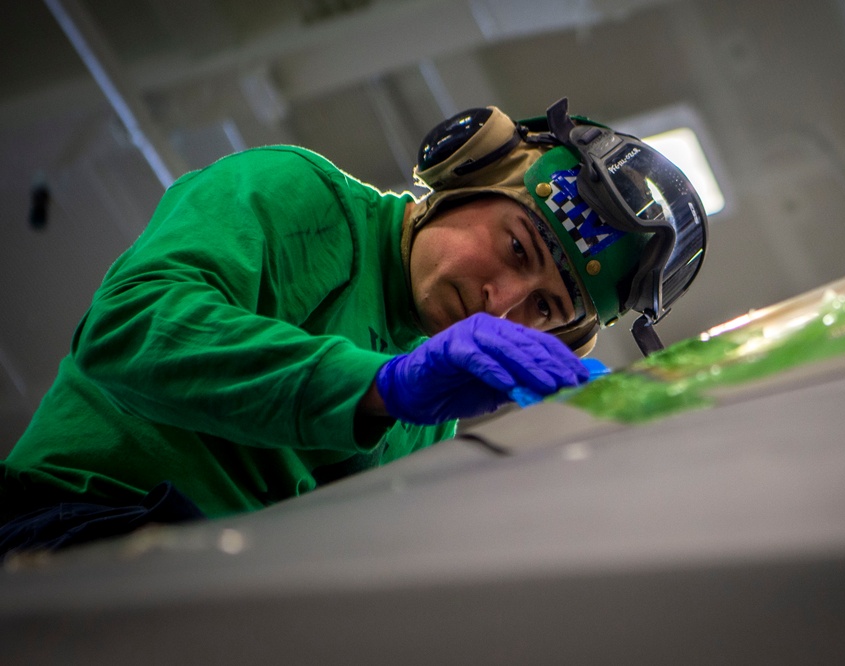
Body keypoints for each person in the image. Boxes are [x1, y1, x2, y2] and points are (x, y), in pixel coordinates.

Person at [0, 98, 708, 556]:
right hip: (71, 528)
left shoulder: (433, 410)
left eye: (546, 309)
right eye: (517, 248)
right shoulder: (296, 192)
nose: (504, 307)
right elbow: (128, 329)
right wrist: (377, 385)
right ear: (465, 171)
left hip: (216, 587)